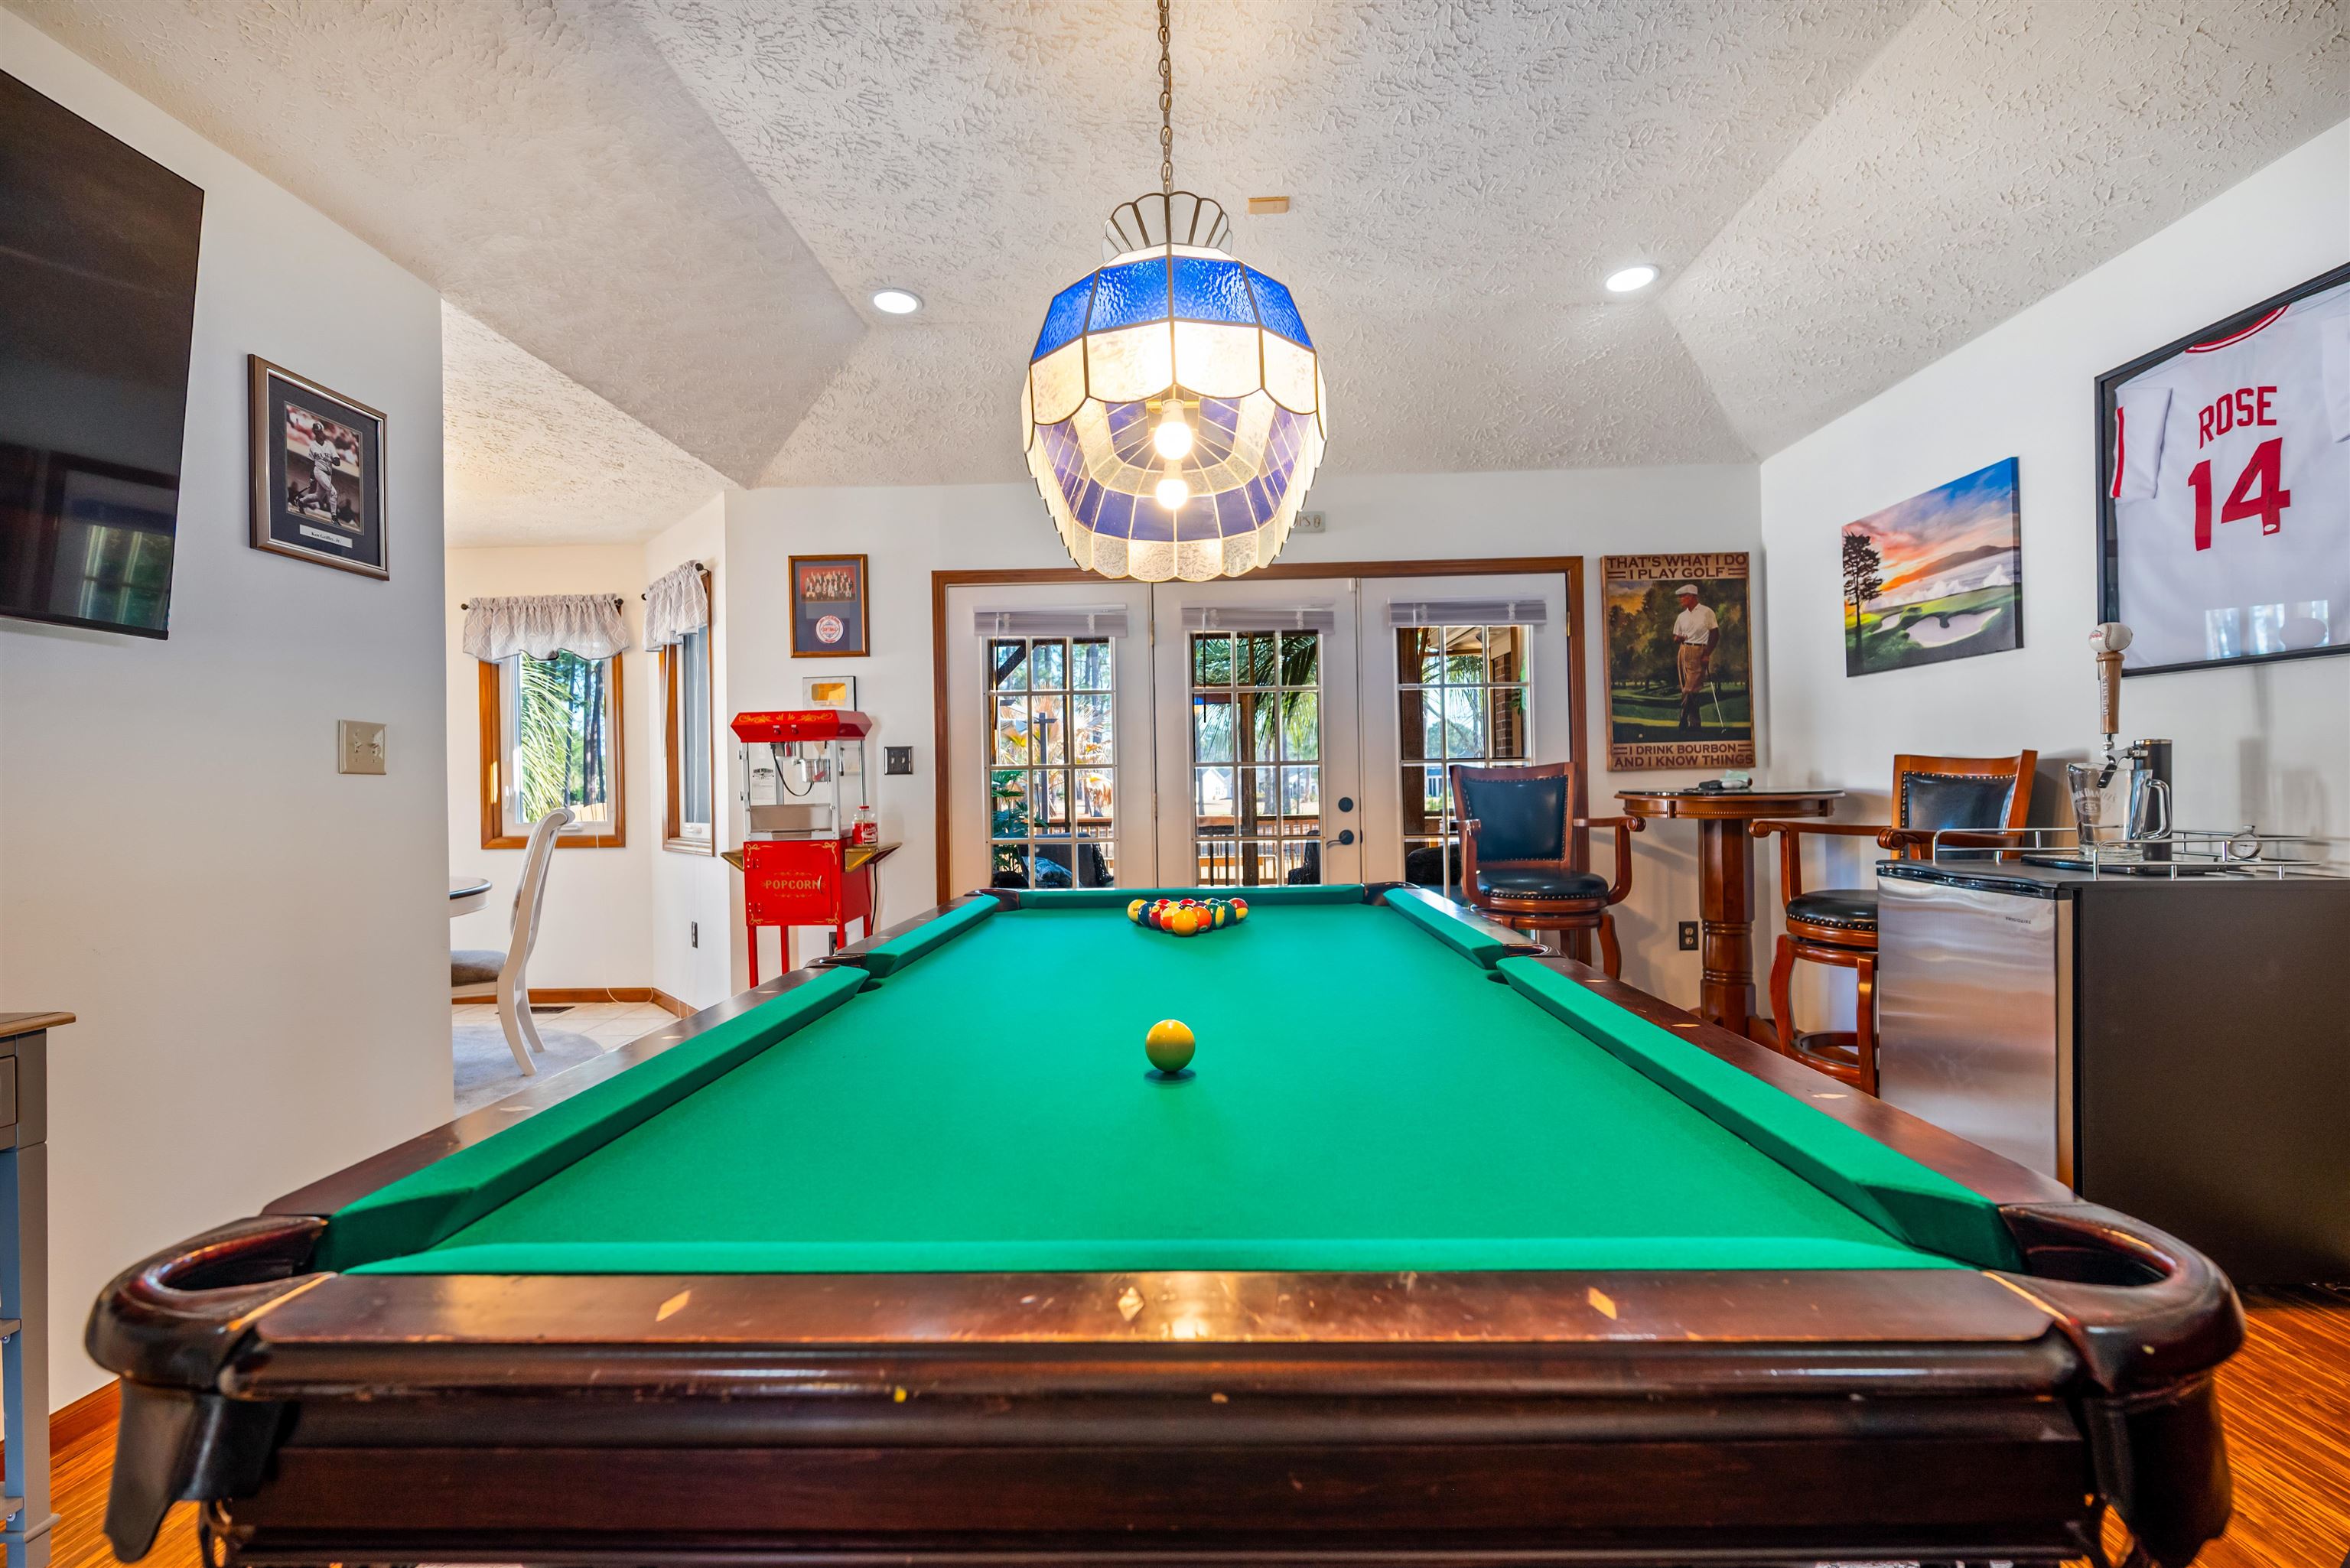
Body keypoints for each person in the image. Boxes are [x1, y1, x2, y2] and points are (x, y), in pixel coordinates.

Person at [1671, 582, 1718, 732]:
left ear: (1691, 596)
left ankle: (1682, 720)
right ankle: (1695, 725)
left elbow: (1715, 634)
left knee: (1689, 690)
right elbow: (1675, 637)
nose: (1680, 600)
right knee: (1692, 691)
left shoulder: (1707, 612)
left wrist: (1707, 654)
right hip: (1683, 651)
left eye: (1683, 597)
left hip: (1699, 651)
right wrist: (1679, 638)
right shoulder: (1682, 616)